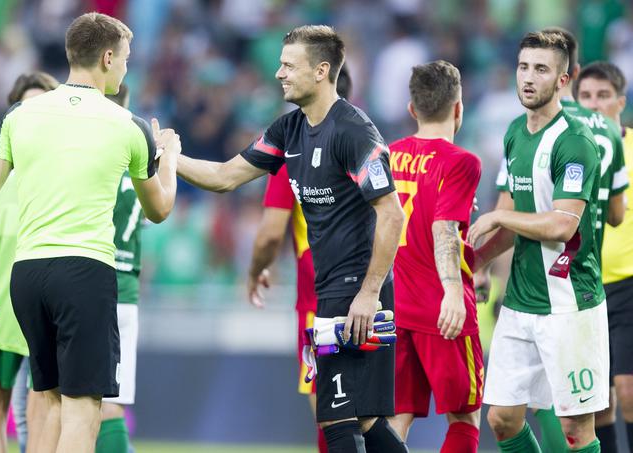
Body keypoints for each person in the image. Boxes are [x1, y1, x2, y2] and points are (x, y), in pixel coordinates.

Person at [175, 25, 406, 453]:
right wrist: (170, 158)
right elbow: (226, 177)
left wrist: (370, 293)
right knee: (367, 421)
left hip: (356, 293)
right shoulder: (289, 130)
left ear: (321, 71)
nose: (278, 73)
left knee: (336, 417)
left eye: (288, 65)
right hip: (332, 290)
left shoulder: (355, 132)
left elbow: (392, 213)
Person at [0, 12, 178, 453]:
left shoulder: (20, 115)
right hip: (84, 272)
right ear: (106, 57)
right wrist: (168, 158)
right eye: (125, 58)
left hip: (27, 275)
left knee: (48, 403)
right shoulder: (129, 125)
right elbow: (159, 209)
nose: (126, 68)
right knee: (84, 410)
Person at [469, 31, 607, 453]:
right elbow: (514, 224)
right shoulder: (514, 133)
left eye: (542, 69)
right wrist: (480, 263)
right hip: (519, 302)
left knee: (575, 429)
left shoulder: (575, 142)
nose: (528, 78)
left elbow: (563, 225)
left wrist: (495, 215)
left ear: (564, 80)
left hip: (569, 304)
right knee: (502, 419)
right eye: (523, 67)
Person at [247, 65, 352, 453]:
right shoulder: (364, 141)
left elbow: (271, 232)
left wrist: (255, 271)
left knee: (328, 407)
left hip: (318, 297)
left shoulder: (295, 150)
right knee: (366, 410)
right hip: (371, 295)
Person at [386, 60, 483, 453]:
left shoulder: (389, 156)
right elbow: (442, 229)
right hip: (441, 311)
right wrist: (453, 291)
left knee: (397, 417)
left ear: (413, 109)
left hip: (396, 307)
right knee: (464, 417)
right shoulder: (461, 162)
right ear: (459, 107)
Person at [0, 71, 58, 453]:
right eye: (25, 105)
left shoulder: (60, 175)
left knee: (40, 411)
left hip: (44, 307)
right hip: (1, 309)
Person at [577, 61, 633, 453]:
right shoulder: (570, 148)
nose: (594, 105)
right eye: (585, 97)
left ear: (620, 102)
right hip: (586, 285)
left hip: (629, 285)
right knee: (600, 405)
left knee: (628, 391)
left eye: (602, 96)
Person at [96, 83, 141, 453]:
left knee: (73, 403)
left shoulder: (95, 158)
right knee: (111, 402)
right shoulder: (138, 159)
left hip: (93, 282)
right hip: (128, 289)